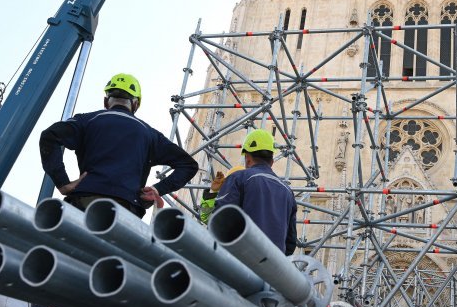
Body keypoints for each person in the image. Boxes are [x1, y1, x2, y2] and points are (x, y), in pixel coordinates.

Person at [39, 73, 198, 217]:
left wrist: (63, 183)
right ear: (135, 103)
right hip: (126, 210)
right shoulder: (149, 134)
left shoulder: (86, 121)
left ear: (106, 101)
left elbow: (49, 136)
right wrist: (158, 189)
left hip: (84, 202)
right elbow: (188, 165)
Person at [214, 129, 297, 255]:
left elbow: (220, 222)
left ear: (247, 158)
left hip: (240, 263)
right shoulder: (288, 192)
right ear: (272, 161)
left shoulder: (239, 178)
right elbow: (290, 243)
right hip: (272, 268)